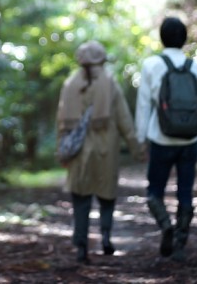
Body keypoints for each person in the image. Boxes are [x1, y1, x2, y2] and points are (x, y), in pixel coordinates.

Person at [56, 40, 145, 264]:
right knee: (107, 196)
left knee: (81, 199)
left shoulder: (69, 85)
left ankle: (82, 246)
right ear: (101, 59)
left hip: (78, 153)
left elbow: (61, 122)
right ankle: (106, 236)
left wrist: (62, 152)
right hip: (106, 149)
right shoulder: (110, 83)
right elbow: (124, 119)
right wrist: (136, 148)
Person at [135, 17, 197, 262]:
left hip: (161, 138)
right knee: (185, 191)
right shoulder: (196, 67)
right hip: (189, 140)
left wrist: (141, 138)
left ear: (162, 37)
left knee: (154, 189)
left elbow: (144, 105)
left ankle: (165, 224)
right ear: (184, 38)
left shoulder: (152, 64)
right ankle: (180, 241)